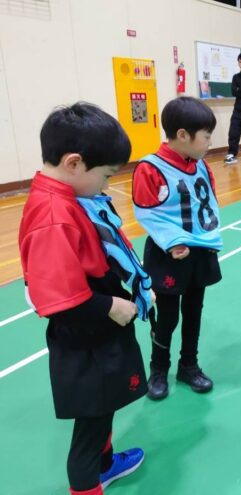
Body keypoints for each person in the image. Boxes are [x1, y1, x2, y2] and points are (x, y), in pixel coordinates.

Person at [19, 102, 150, 495]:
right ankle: (86, 486)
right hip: (86, 334)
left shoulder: (68, 197)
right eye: (106, 175)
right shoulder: (54, 214)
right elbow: (61, 299)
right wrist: (113, 305)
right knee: (90, 426)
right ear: (73, 163)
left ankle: (105, 465)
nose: (107, 185)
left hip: (98, 327)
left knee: (103, 407)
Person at [132, 96, 222, 400]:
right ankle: (158, 369)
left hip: (199, 253)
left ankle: (189, 365)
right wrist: (172, 241)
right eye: (206, 136)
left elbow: (209, 205)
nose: (210, 142)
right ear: (183, 135)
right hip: (167, 254)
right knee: (168, 317)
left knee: (194, 311)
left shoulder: (202, 166)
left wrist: (209, 239)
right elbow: (147, 213)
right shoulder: (150, 168)